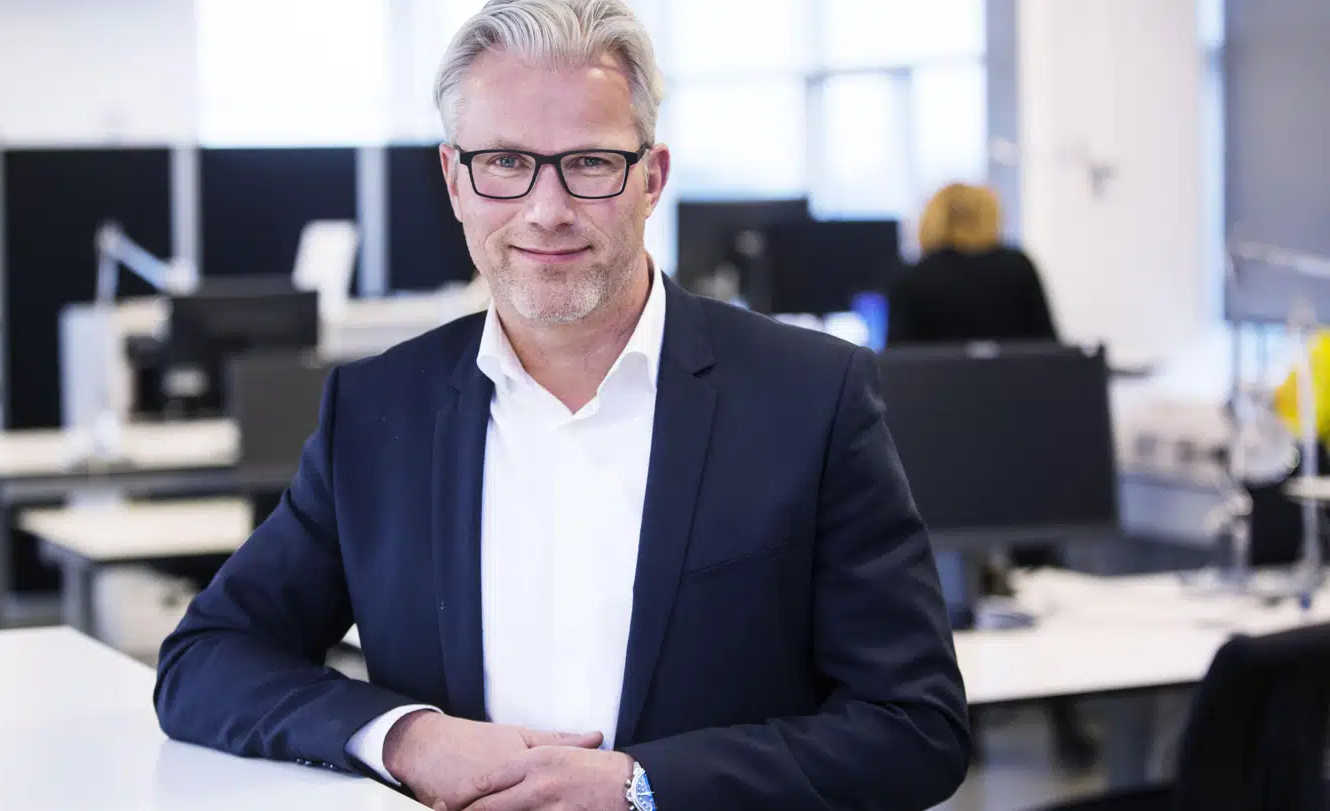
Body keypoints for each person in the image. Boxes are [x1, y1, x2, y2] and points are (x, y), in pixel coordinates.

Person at [153, 2, 970, 809]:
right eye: (505, 161)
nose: (546, 210)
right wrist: (404, 737)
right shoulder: (376, 414)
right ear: (454, 180)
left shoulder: (809, 397)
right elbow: (208, 656)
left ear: (652, 178)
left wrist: (641, 786)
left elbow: (915, 725)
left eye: (590, 161)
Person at [886, 182, 1095, 771]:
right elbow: (1050, 355)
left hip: (943, 462)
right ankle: (1068, 725)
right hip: (1023, 457)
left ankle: (966, 728)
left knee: (950, 604)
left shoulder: (914, 279)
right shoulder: (1018, 268)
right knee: (1040, 592)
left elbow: (896, 374)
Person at [887, 183, 1056, 347]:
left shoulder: (914, 277)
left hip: (936, 369)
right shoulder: (1019, 267)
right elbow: (1049, 347)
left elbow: (896, 355)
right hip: (1013, 368)